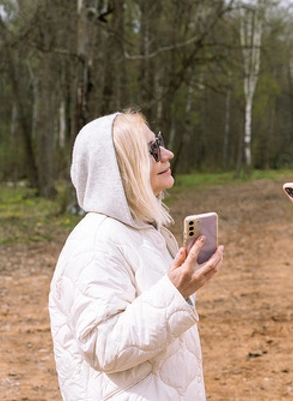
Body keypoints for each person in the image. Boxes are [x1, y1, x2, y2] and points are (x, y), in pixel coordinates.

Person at [48, 110, 224, 400]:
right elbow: (103, 345)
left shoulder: (142, 230)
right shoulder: (95, 242)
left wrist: (181, 286)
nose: (167, 153)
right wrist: (175, 292)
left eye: (160, 142)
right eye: (153, 149)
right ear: (120, 168)